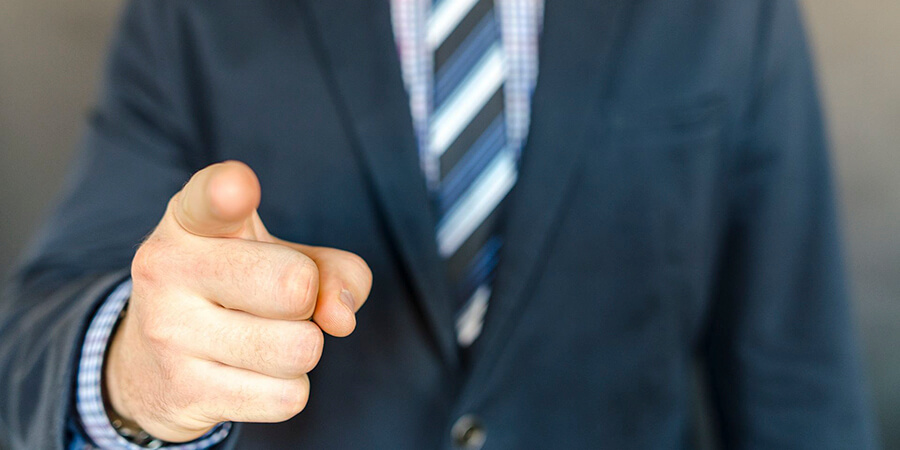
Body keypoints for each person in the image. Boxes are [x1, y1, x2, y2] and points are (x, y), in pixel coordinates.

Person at [0, 0, 878, 448]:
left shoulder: (734, 13)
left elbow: (800, 390)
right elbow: (32, 345)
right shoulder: (194, 14)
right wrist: (138, 371)